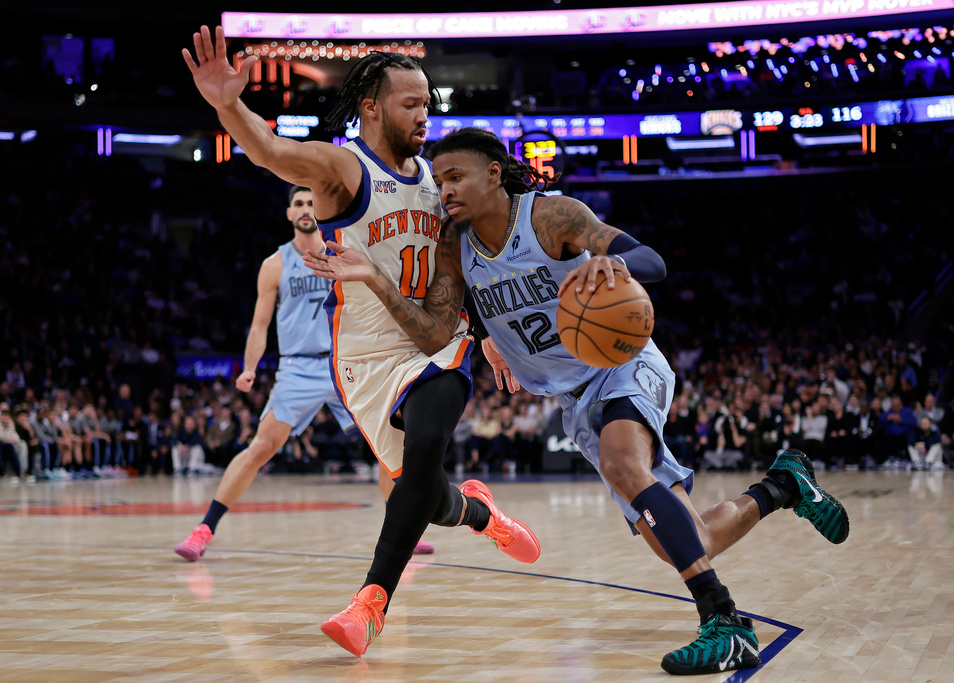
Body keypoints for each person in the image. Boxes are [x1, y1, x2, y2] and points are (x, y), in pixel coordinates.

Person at [304, 127, 850, 675]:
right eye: (439, 179)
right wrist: (380, 281)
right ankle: (782, 486)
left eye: (456, 176)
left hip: (622, 365)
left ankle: (725, 621)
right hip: (571, 397)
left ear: (493, 173)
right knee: (688, 540)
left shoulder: (551, 218)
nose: (444, 190)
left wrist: (615, 264)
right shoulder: (454, 244)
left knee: (622, 463)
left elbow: (652, 261)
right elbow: (436, 330)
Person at [182, 26, 540, 657]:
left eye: (429, 103)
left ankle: (370, 602)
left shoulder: (440, 180)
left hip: (435, 338)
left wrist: (487, 334)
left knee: (429, 441)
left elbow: (469, 266)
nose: (425, 116)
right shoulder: (344, 169)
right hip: (367, 356)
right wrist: (226, 105)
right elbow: (269, 150)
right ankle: (481, 514)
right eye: (411, 104)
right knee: (423, 493)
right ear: (372, 108)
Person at [173, 186, 429, 557]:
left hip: (349, 360)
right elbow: (260, 326)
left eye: (311, 202)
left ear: (321, 209)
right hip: (299, 366)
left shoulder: (345, 253)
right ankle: (203, 530)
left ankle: (404, 531)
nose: (306, 208)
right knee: (261, 445)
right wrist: (248, 368)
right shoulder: (274, 264)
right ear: (289, 214)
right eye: (298, 204)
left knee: (390, 447)